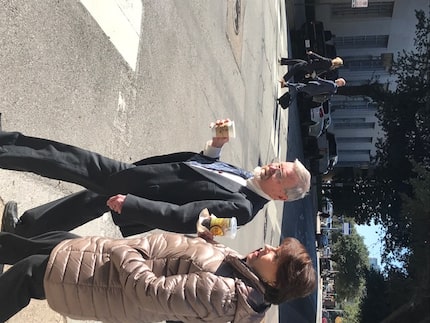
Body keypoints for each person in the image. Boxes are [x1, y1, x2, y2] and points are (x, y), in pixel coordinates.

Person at [0, 120, 311, 238]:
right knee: (86, 203)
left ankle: (6, 146)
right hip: (142, 176)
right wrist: (215, 146)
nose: (272, 167)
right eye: (278, 164)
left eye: (279, 174)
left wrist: (132, 206)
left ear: (281, 196)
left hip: (137, 191)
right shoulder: (250, 178)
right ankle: (26, 230)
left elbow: (189, 221)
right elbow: (204, 172)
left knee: (67, 158)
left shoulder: (241, 214)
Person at [0, 230, 317, 322]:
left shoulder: (227, 296)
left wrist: (122, 250)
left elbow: (151, 293)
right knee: (54, 242)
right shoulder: (244, 276)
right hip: (112, 262)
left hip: (107, 282)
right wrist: (207, 237)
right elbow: (203, 263)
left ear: (275, 283)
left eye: (275, 255)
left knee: (29, 274)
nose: (266, 248)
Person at [279, 51, 343, 86]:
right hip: (311, 68)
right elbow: (320, 71)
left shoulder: (329, 61)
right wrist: (310, 74)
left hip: (311, 65)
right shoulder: (330, 68)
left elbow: (321, 58)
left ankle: (284, 79)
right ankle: (283, 61)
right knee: (297, 61)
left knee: (296, 67)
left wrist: (312, 54)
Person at [277, 77, 346, 109]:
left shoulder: (332, 84)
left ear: (340, 83)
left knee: (298, 88)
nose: (338, 79)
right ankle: (285, 85)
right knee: (299, 86)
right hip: (313, 92)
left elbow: (322, 81)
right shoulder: (334, 90)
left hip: (313, 87)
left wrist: (314, 76)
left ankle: (287, 100)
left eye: (339, 80)